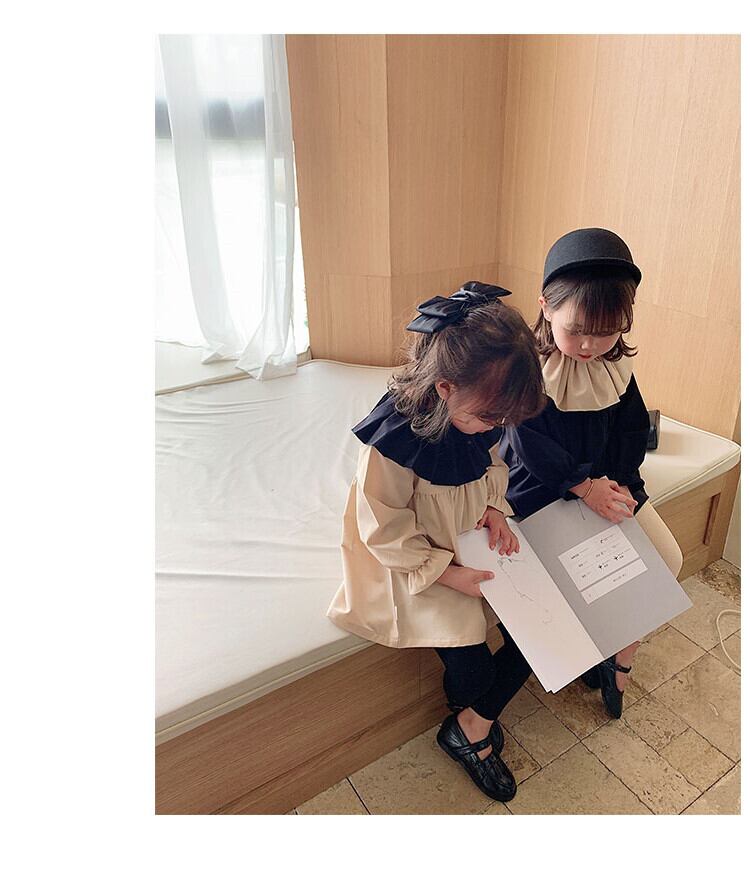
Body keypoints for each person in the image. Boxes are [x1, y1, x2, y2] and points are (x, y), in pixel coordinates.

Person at [327, 282, 546, 803]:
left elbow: (493, 466)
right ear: (445, 388)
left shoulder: (480, 415)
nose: (495, 428)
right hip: (416, 559)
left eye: (501, 419)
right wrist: (448, 572)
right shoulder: (394, 442)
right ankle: (468, 723)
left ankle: (471, 723)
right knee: (475, 672)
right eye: (489, 418)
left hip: (469, 539)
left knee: (539, 635)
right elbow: (382, 526)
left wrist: (494, 508)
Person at [500, 228, 683, 719]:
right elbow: (529, 445)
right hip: (545, 487)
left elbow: (629, 429)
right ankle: (596, 653)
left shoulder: (614, 365)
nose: (589, 344)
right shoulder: (528, 366)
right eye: (577, 328)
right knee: (576, 581)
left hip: (605, 482)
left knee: (667, 560)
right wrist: (583, 487)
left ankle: (619, 655)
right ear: (545, 306)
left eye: (605, 331)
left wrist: (621, 483)